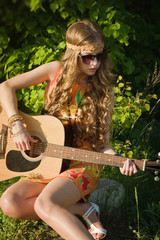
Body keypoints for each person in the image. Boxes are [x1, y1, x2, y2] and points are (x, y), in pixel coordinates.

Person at [0, 20, 137, 240]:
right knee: (10, 203)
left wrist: (120, 160)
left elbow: (103, 144)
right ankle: (84, 209)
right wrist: (17, 125)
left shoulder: (104, 91)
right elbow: (5, 87)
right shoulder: (54, 71)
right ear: (73, 54)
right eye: (87, 57)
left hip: (82, 165)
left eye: (100, 56)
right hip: (47, 159)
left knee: (46, 203)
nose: (95, 63)